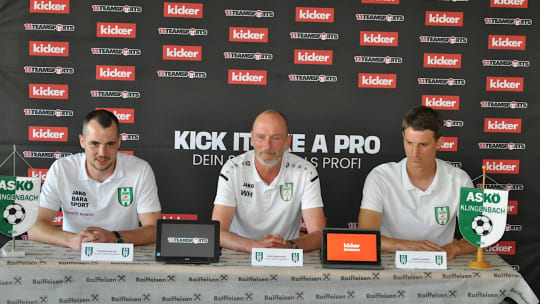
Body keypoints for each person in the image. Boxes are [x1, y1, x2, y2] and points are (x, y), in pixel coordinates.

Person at [28, 110, 161, 250]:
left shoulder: (140, 170)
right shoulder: (61, 169)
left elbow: (154, 229)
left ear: (119, 142)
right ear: (82, 141)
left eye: (110, 144)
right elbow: (34, 227)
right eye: (94, 144)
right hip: (73, 253)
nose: (102, 153)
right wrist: (71, 240)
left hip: (123, 254)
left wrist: (113, 237)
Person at [357, 106, 475, 260]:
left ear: (439, 142)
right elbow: (365, 235)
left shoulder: (459, 179)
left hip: (441, 262)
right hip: (390, 262)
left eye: (423, 145)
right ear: (403, 137)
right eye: (409, 143)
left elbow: (476, 237)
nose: (414, 153)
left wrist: (455, 248)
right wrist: (405, 246)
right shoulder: (380, 177)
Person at [211, 110, 326, 252]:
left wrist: (290, 246)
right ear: (252, 139)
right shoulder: (232, 170)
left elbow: (319, 234)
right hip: (240, 253)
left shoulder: (305, 172)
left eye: (276, 138)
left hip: (288, 255)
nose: (267, 146)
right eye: (261, 137)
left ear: (287, 142)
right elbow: (218, 233)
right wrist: (253, 246)